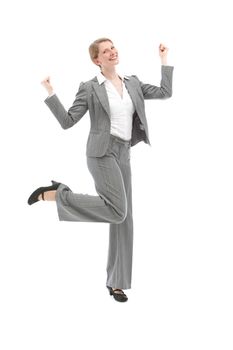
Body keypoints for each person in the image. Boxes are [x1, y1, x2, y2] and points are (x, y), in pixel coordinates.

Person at [28, 38, 174, 302]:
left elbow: (165, 92)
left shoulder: (133, 83)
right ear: (97, 60)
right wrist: (51, 92)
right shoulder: (90, 88)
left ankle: (116, 282)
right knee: (118, 210)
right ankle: (58, 194)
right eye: (106, 50)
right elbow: (67, 121)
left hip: (124, 153)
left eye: (113, 47)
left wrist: (164, 60)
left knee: (124, 218)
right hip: (101, 153)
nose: (112, 51)